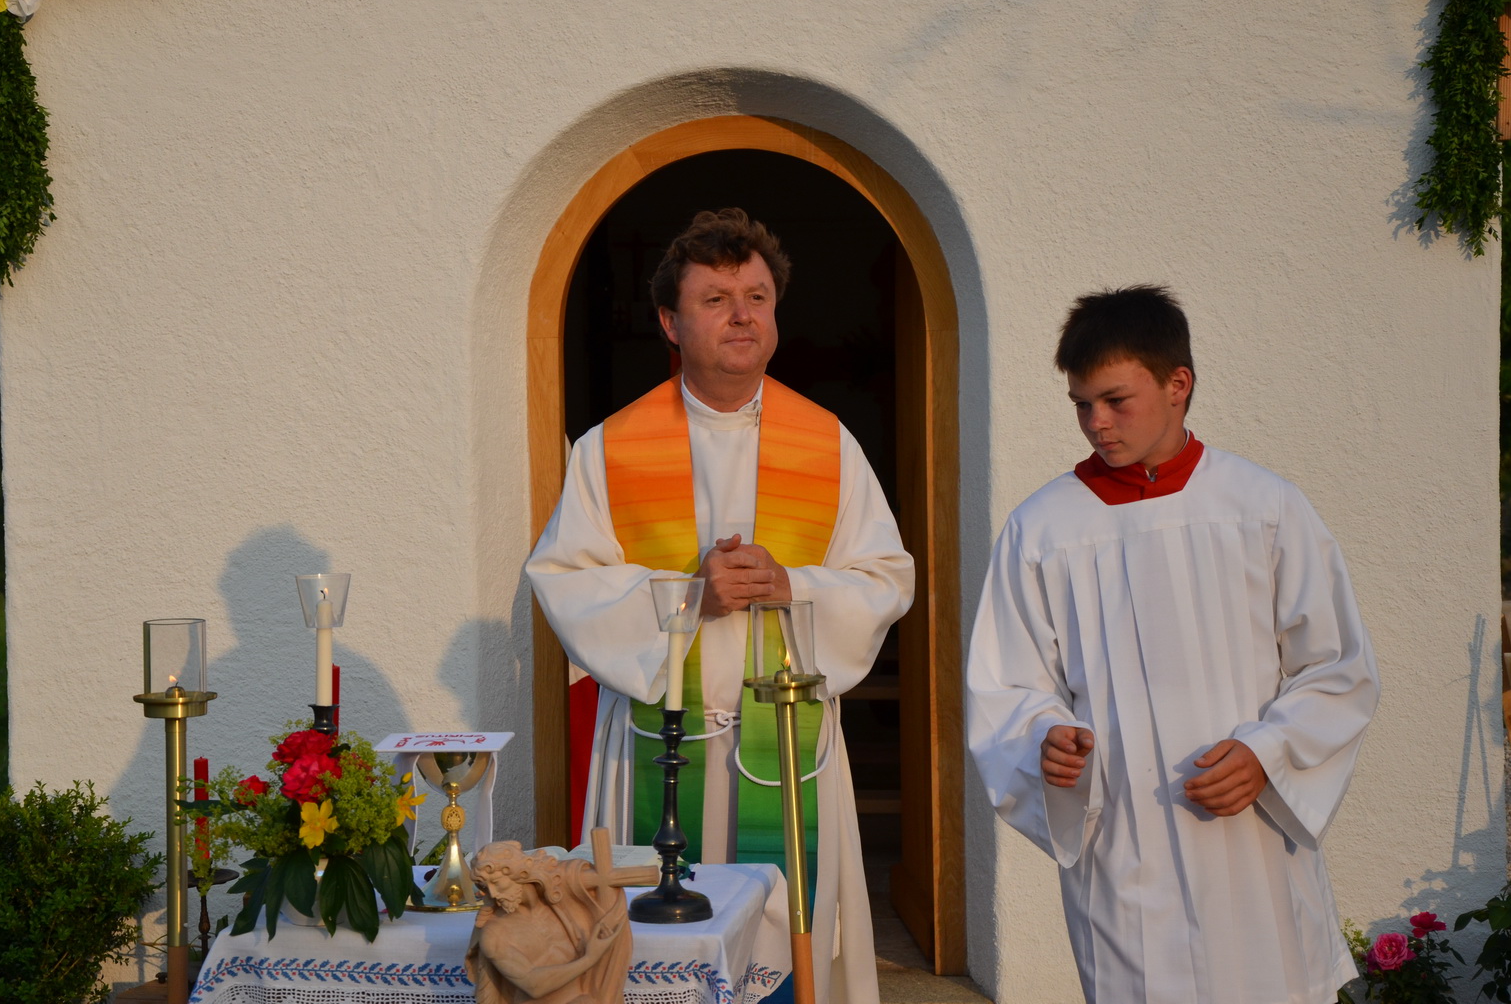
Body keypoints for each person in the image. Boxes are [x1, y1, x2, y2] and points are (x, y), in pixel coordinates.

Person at [525, 208, 914, 1003]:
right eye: (715, 299)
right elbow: (564, 578)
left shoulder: (828, 443)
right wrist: (689, 598)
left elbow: (886, 576)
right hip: (659, 743)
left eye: (756, 297)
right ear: (670, 322)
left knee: (788, 938)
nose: (742, 315)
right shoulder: (610, 448)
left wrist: (791, 584)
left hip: (785, 738)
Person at [965, 284, 1379, 1004]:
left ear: (1177, 383)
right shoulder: (1044, 528)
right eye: (1081, 404)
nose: (1096, 423)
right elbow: (1007, 684)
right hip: (1125, 844)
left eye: (1115, 400)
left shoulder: (1262, 508)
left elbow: (1335, 665)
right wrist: (1045, 740)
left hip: (1248, 839)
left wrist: (1267, 753)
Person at [466, 841, 634, 1004]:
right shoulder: (495, 934)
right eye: (485, 887)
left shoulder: (564, 901)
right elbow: (533, 985)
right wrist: (590, 958)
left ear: (520, 874)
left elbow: (599, 880)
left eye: (496, 883)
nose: (493, 894)